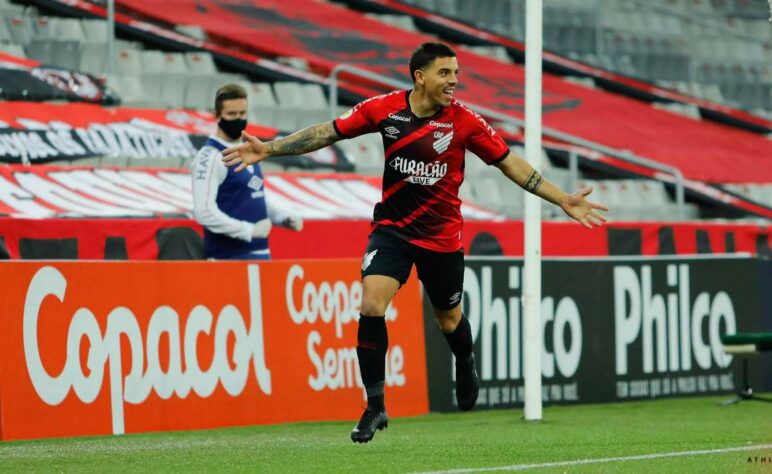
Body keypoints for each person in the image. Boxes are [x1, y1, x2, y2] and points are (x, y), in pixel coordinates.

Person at [222, 43, 608, 442]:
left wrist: (562, 198)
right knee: (371, 303)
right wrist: (270, 147)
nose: (454, 81)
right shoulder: (384, 109)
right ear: (420, 77)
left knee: (449, 320)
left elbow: (510, 162)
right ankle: (375, 406)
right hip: (392, 230)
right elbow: (327, 132)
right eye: (445, 73)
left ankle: (464, 358)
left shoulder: (466, 122)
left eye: (456, 73)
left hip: (441, 239)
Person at [190, 83, 302, 260]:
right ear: (217, 116)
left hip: (260, 254)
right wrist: (249, 230)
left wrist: (282, 217)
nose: (238, 119)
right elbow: (203, 211)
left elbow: (250, 197)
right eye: (231, 114)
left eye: (242, 113)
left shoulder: (248, 149)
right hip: (228, 258)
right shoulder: (210, 156)